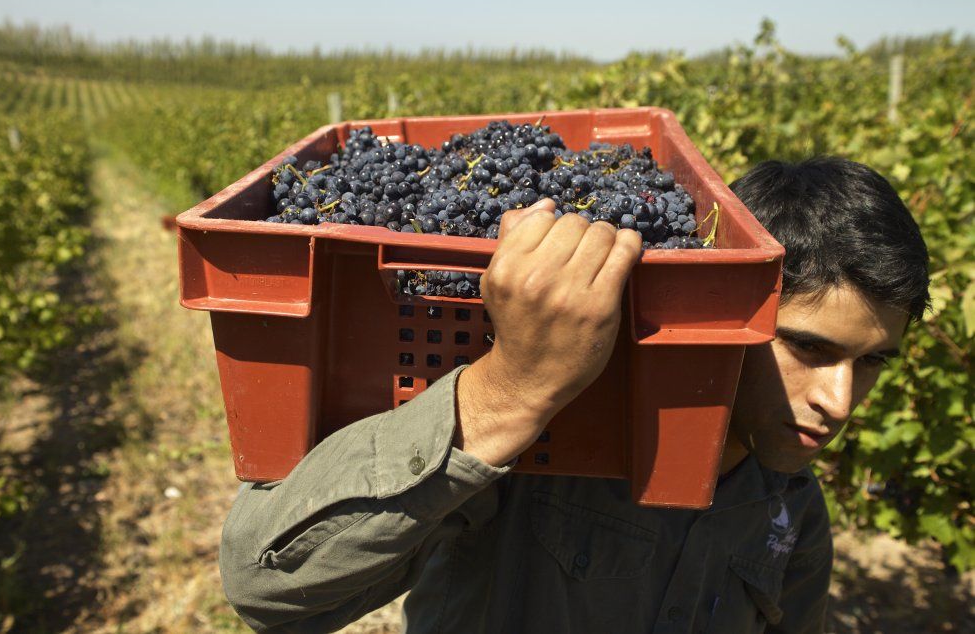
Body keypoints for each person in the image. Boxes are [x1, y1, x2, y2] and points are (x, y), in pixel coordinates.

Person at [218, 156, 929, 633]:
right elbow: (265, 588)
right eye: (810, 348)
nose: (840, 401)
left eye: (872, 364)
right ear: (721, 312)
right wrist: (514, 390)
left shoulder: (789, 509)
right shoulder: (553, 447)